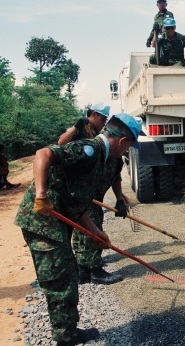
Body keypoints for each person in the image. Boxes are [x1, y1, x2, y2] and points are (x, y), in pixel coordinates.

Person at [14, 114, 141, 345]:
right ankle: (66, 337)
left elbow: (77, 202)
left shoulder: (100, 159)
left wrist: (95, 233)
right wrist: (41, 194)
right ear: (123, 142)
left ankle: (67, 331)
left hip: (58, 218)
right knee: (60, 279)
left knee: (68, 275)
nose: (125, 152)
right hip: (43, 220)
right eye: (129, 146)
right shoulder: (90, 150)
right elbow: (43, 153)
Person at [59, 104, 128, 285]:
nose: (103, 121)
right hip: (84, 196)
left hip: (94, 196)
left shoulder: (113, 153)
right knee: (90, 231)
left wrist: (120, 200)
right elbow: (57, 146)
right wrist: (76, 127)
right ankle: (93, 270)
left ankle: (83, 270)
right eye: (102, 118)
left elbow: (116, 178)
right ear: (94, 115)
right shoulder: (89, 142)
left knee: (88, 231)